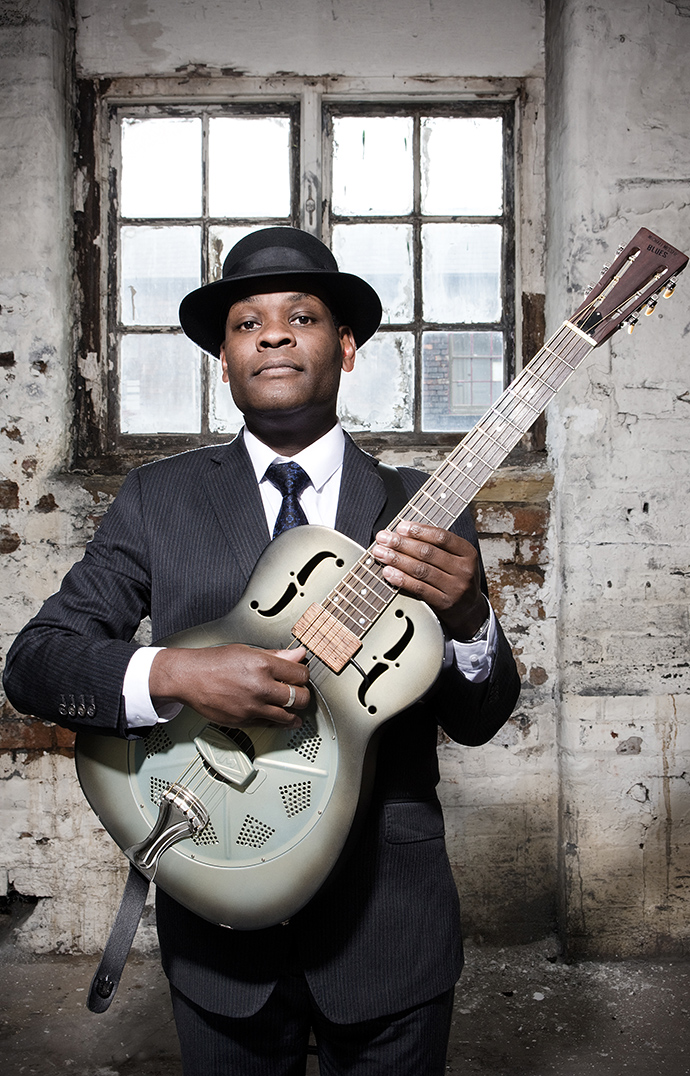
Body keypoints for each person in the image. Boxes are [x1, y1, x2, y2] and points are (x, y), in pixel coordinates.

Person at [4, 227, 521, 1075]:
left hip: (388, 922)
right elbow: (35, 663)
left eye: (303, 316)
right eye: (247, 323)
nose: (273, 334)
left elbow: (477, 720)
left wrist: (469, 617)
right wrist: (173, 672)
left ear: (346, 349)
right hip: (218, 924)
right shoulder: (157, 500)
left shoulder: (425, 507)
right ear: (224, 360)